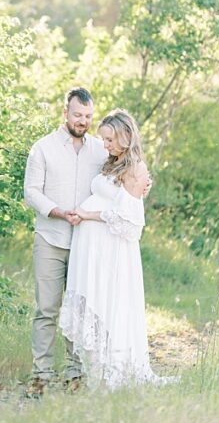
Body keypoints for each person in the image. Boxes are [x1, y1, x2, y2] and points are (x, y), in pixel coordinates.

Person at [58, 109, 161, 388]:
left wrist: (87, 215)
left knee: (110, 301)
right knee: (96, 300)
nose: (105, 145)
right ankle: (97, 368)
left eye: (109, 139)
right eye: (103, 140)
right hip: (92, 246)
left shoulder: (135, 167)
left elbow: (130, 221)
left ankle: (114, 369)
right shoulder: (112, 161)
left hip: (112, 248)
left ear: (125, 136)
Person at [22, 87, 108, 395]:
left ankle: (76, 374)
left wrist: (143, 183)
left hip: (86, 242)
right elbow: (31, 191)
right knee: (47, 309)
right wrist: (57, 212)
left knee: (79, 311)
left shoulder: (100, 149)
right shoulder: (43, 148)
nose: (82, 121)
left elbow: (122, 173)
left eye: (87, 116)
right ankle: (40, 376)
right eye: (77, 115)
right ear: (65, 113)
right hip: (50, 238)